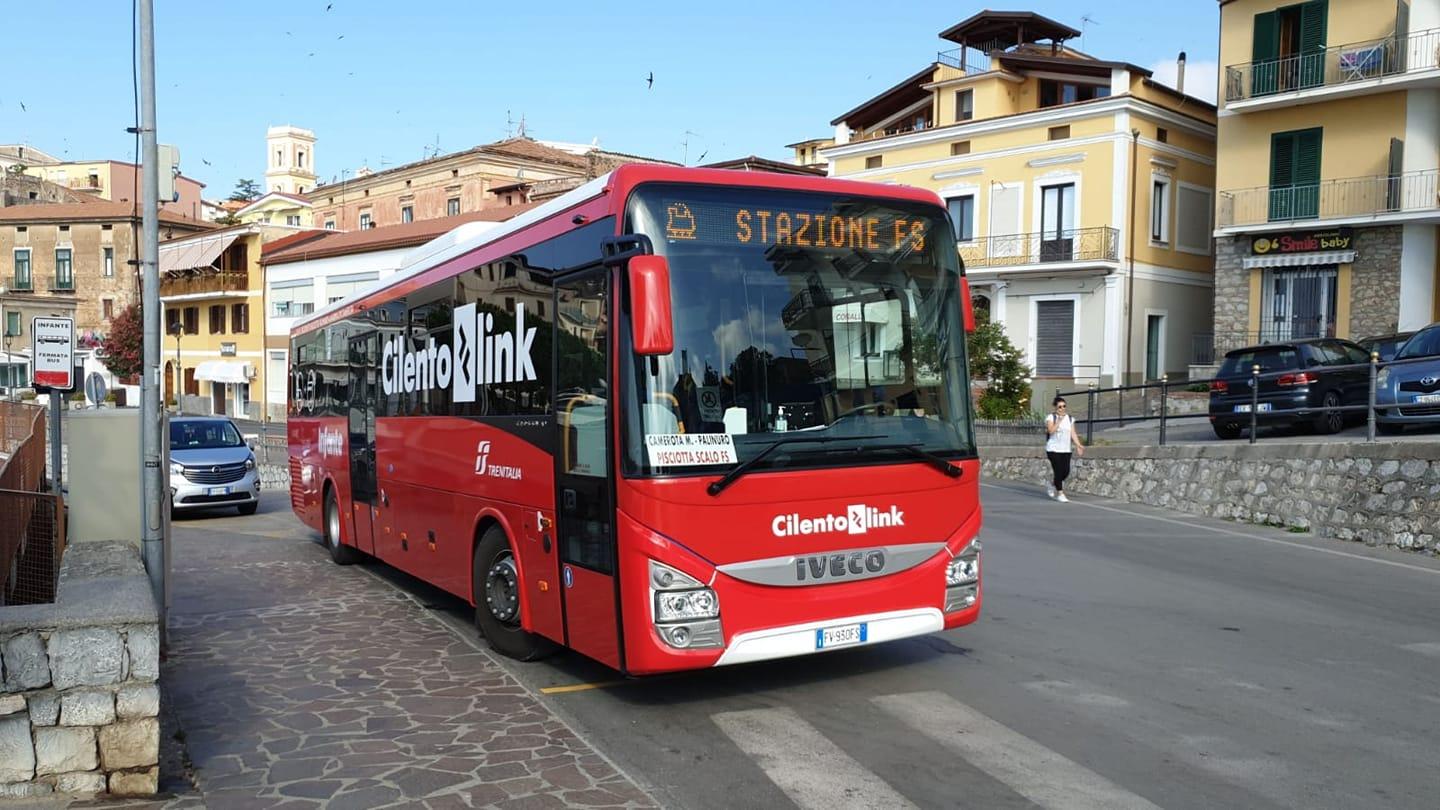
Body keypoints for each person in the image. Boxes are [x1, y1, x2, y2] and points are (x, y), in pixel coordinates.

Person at [1044, 396, 1084, 502]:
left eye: (1064, 406)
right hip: (1053, 449)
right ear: (1055, 408)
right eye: (1060, 407)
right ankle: (1061, 494)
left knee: (1065, 472)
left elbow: (1073, 433)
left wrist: (1078, 445)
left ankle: (1052, 484)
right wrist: (1059, 420)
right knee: (1058, 471)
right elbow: (1051, 431)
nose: (1062, 409)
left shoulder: (1070, 419)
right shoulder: (1050, 417)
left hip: (1066, 449)